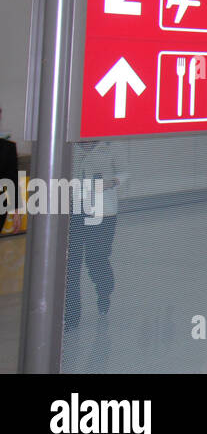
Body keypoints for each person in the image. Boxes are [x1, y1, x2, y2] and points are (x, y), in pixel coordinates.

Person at [65, 139, 126, 327]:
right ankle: (71, 317)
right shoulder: (69, 148)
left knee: (95, 259)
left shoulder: (112, 146)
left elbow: (125, 173)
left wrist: (112, 182)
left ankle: (104, 292)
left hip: (102, 212)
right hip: (75, 211)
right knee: (72, 264)